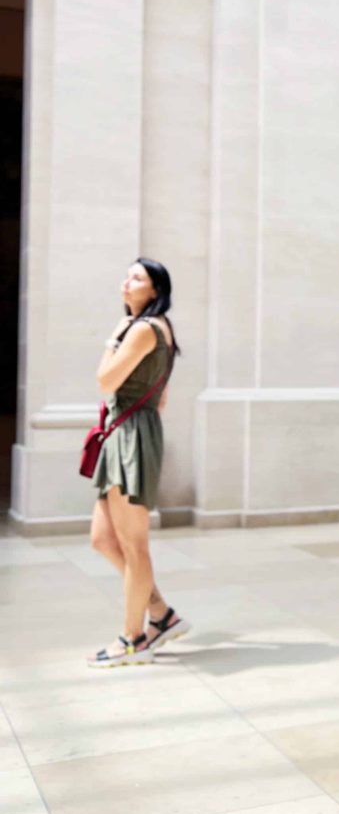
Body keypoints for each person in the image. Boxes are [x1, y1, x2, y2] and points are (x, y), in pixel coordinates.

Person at [87, 260, 189, 667]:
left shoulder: (144, 329)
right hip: (125, 433)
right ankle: (161, 613)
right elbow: (159, 397)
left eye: (137, 278)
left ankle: (133, 639)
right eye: (126, 274)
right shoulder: (155, 328)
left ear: (155, 289)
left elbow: (105, 380)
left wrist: (114, 337)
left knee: (134, 546)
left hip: (130, 436)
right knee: (102, 538)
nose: (126, 282)